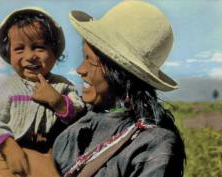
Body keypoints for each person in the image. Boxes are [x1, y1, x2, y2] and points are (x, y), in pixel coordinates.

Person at [53, 1, 186, 177]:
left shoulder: (155, 145)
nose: (80, 69)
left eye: (90, 60)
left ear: (120, 74)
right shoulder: (79, 125)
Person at [0, 8, 85, 177]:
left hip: (48, 156)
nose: (30, 56)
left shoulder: (63, 85)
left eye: (39, 47)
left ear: (55, 52)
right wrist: (8, 147)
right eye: (19, 49)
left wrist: (58, 102)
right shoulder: (8, 87)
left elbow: (79, 109)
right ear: (8, 53)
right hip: (9, 154)